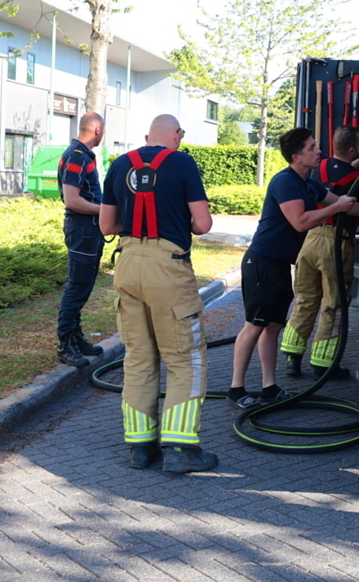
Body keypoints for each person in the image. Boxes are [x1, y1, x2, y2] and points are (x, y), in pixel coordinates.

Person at [100, 114, 216, 474]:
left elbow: (107, 225)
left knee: (138, 357)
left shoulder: (119, 164)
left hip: (127, 263)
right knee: (184, 359)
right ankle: (180, 448)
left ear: (148, 136)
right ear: (176, 134)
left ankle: (140, 447)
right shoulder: (182, 162)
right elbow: (203, 224)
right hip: (167, 268)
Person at [226, 127, 356, 409]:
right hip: (262, 262)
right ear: (297, 157)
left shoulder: (308, 184)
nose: (319, 151)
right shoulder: (284, 181)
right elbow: (300, 221)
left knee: (273, 326)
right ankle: (236, 389)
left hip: (281, 264)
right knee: (254, 326)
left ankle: (269, 387)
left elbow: (343, 204)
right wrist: (337, 208)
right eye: (312, 147)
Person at [280, 127, 359, 379]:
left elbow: (338, 168)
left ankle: (292, 356)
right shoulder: (358, 177)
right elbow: (354, 203)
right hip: (336, 243)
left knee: (306, 299)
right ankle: (323, 363)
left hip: (310, 240)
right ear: (353, 149)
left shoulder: (317, 168)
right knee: (334, 304)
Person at [56, 112, 106, 367]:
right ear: (97, 130)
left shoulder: (82, 155)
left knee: (82, 288)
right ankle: (65, 345)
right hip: (83, 230)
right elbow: (72, 200)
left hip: (89, 229)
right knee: (76, 288)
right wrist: (106, 210)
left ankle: (76, 339)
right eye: (103, 130)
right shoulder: (77, 156)